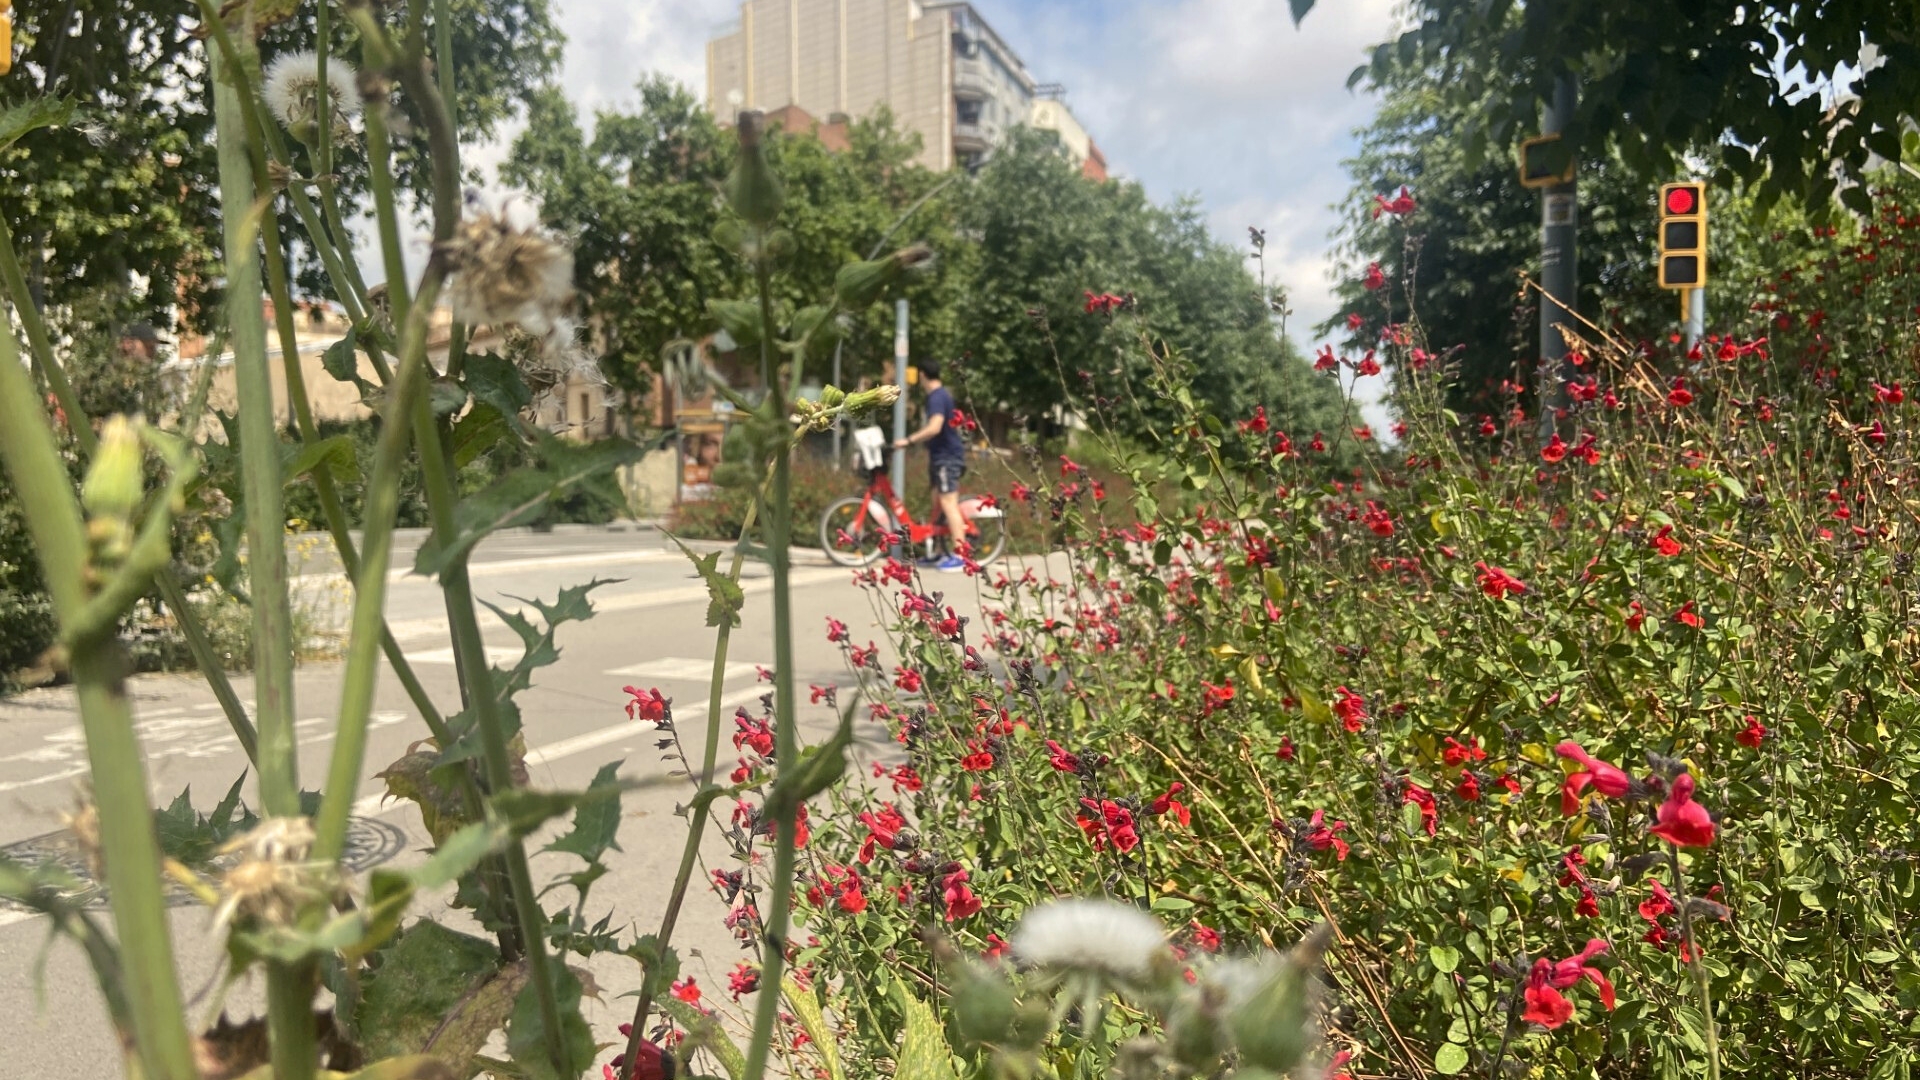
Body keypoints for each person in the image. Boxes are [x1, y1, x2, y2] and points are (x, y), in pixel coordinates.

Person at [893, 357, 969, 571]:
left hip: (947, 457)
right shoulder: (941, 395)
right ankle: (937, 553)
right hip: (940, 456)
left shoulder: (937, 397)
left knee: (947, 502)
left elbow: (935, 427)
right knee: (937, 504)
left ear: (922, 375)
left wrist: (908, 441)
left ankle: (961, 555)